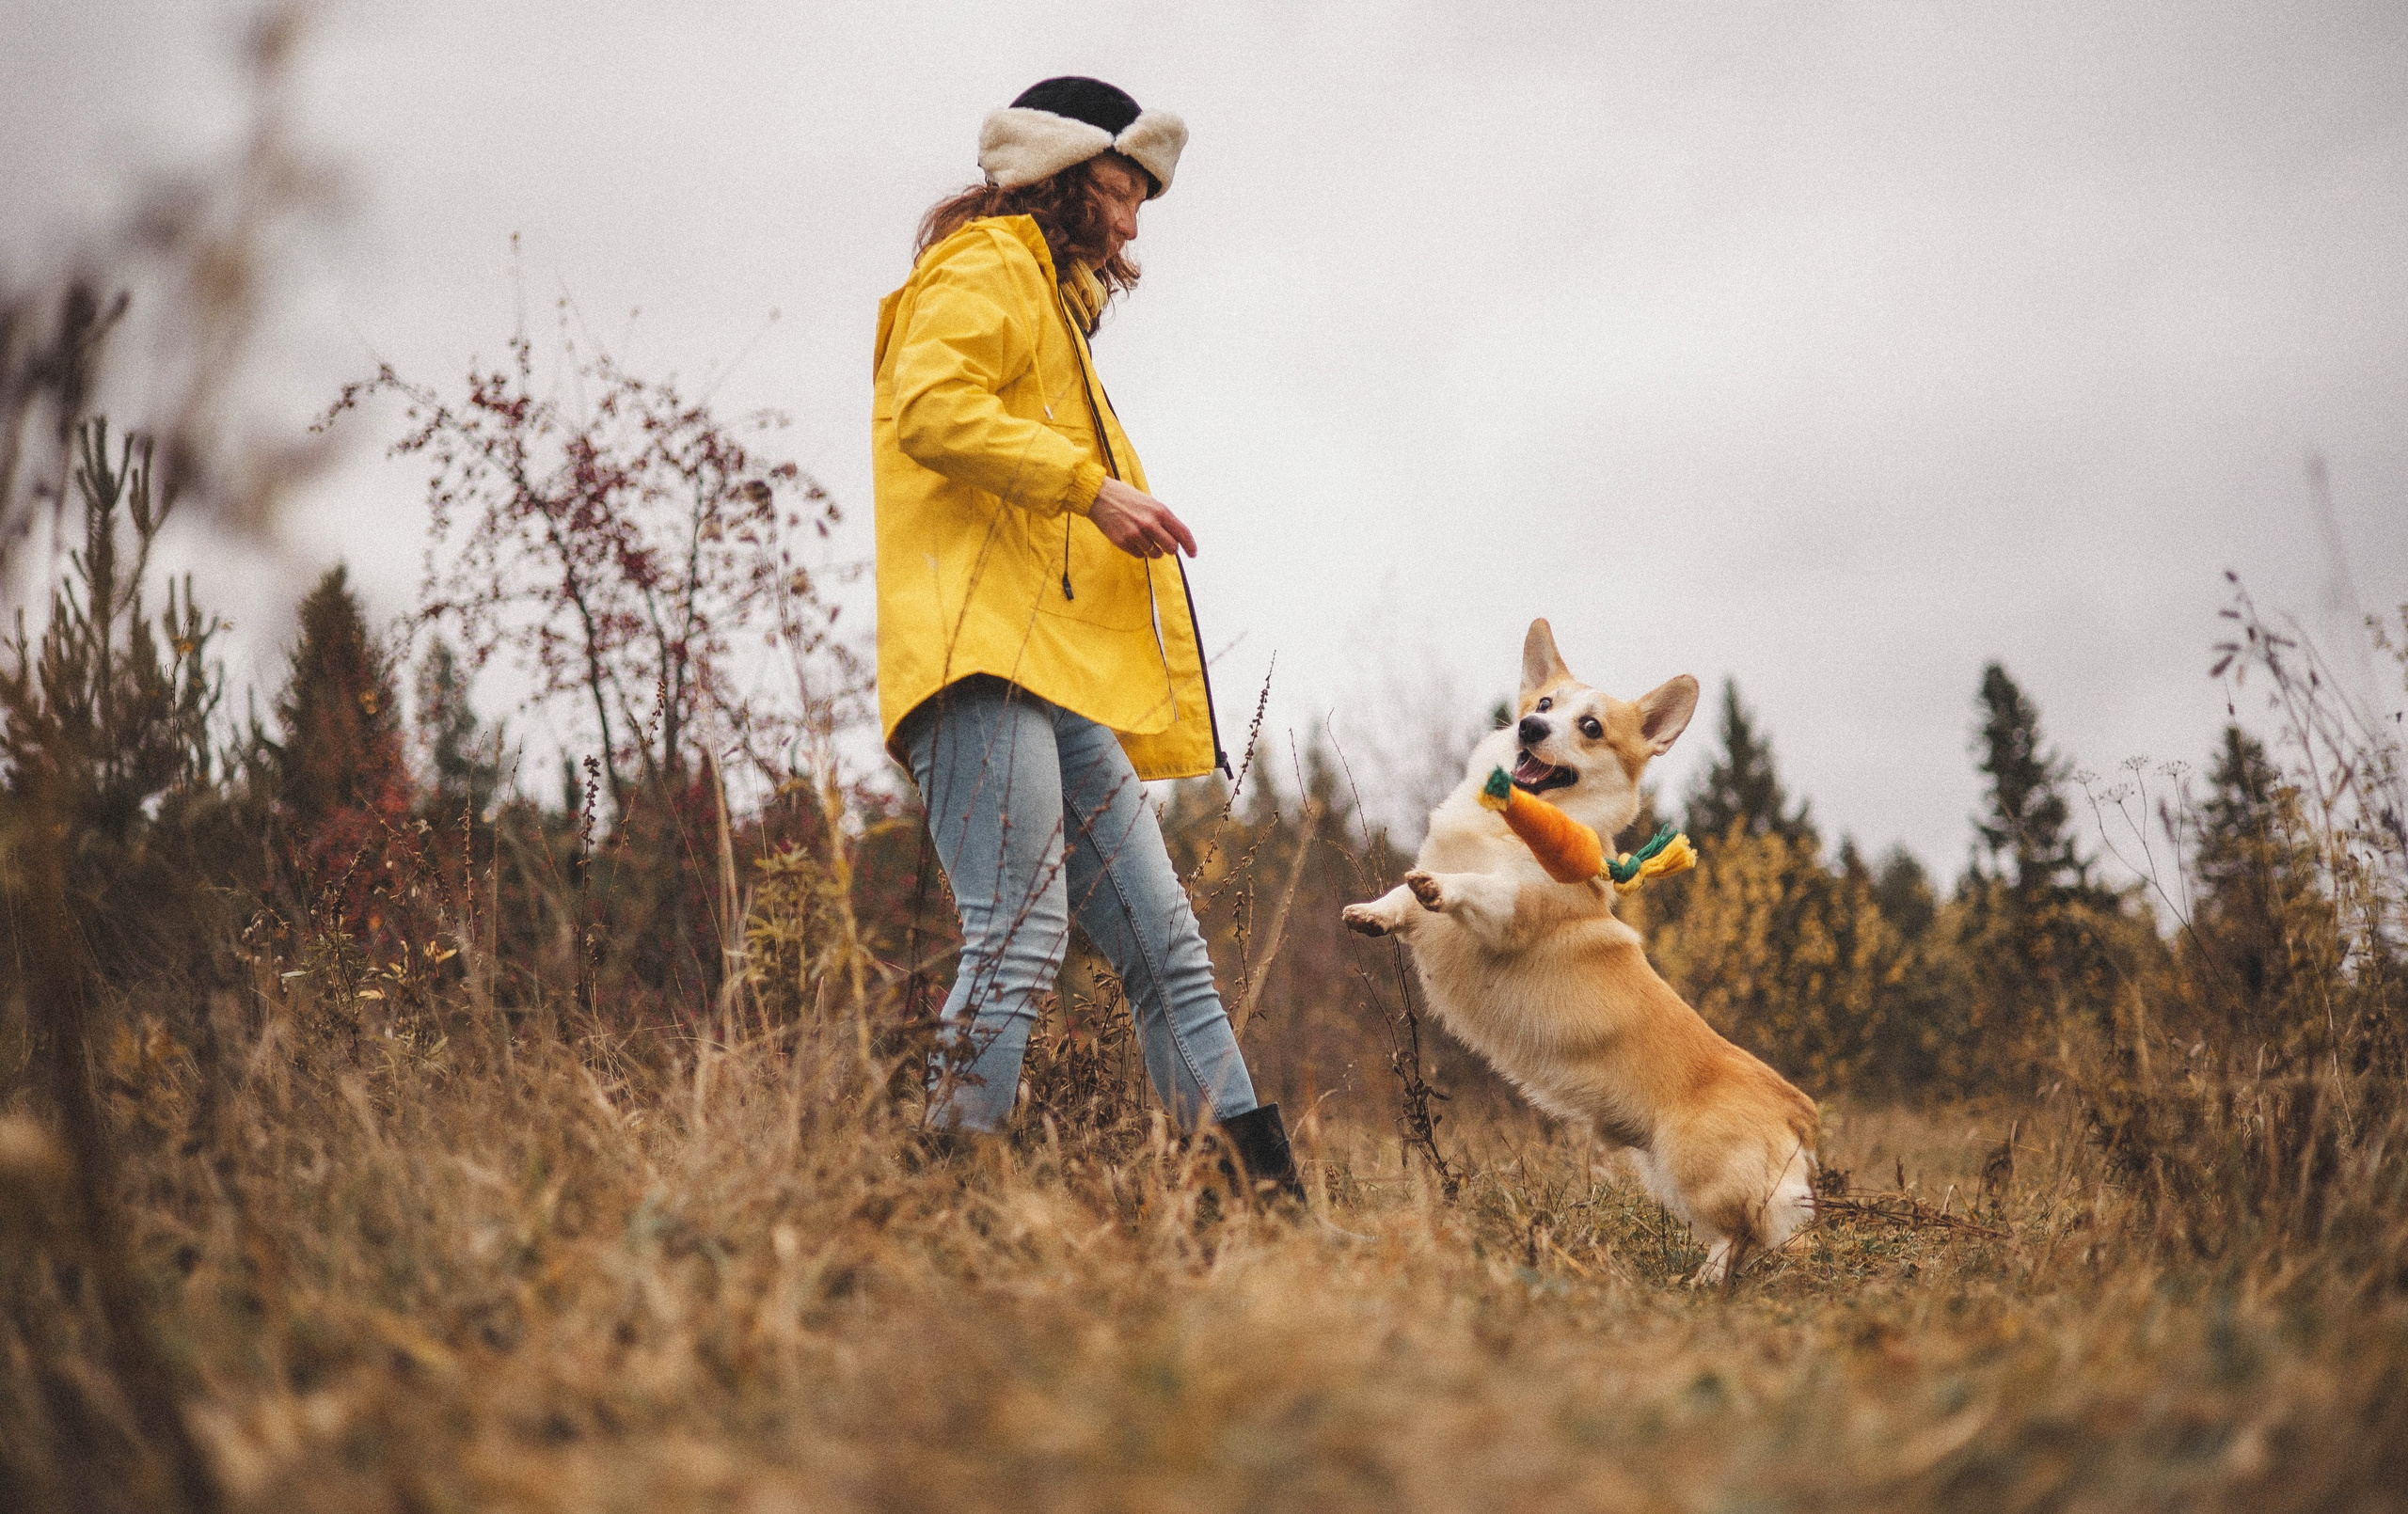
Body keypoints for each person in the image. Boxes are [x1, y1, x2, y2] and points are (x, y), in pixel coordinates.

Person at [872, 76, 1301, 1197]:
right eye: (1122, 192)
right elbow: (929, 406)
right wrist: (1089, 488)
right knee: (1015, 935)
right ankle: (946, 1202)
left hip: (1047, 672)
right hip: (977, 658)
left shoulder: (1056, 312)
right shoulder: (983, 266)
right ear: (1065, 180)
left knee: (1169, 950)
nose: (1132, 223)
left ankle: (1255, 1207)